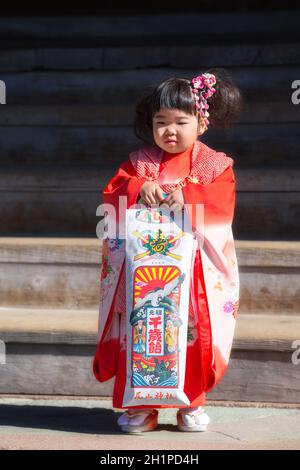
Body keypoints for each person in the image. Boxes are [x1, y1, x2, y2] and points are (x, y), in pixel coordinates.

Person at [93, 68, 242, 433]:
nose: (169, 131)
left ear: (201, 124)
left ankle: (190, 403)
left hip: (191, 277)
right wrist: (136, 187)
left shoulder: (214, 167)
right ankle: (143, 408)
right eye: (161, 122)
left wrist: (191, 195)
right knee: (143, 331)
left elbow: (223, 204)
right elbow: (112, 195)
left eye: (180, 121)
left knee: (188, 334)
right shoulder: (137, 165)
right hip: (145, 276)